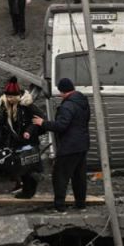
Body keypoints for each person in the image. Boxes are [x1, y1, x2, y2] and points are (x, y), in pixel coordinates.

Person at [33, 78, 91, 213]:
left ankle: (60, 207)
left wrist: (43, 123)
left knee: (60, 176)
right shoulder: (83, 102)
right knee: (79, 177)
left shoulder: (67, 106)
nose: (60, 95)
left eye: (60, 92)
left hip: (69, 146)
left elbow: (61, 126)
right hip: (82, 145)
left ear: (64, 91)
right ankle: (80, 205)